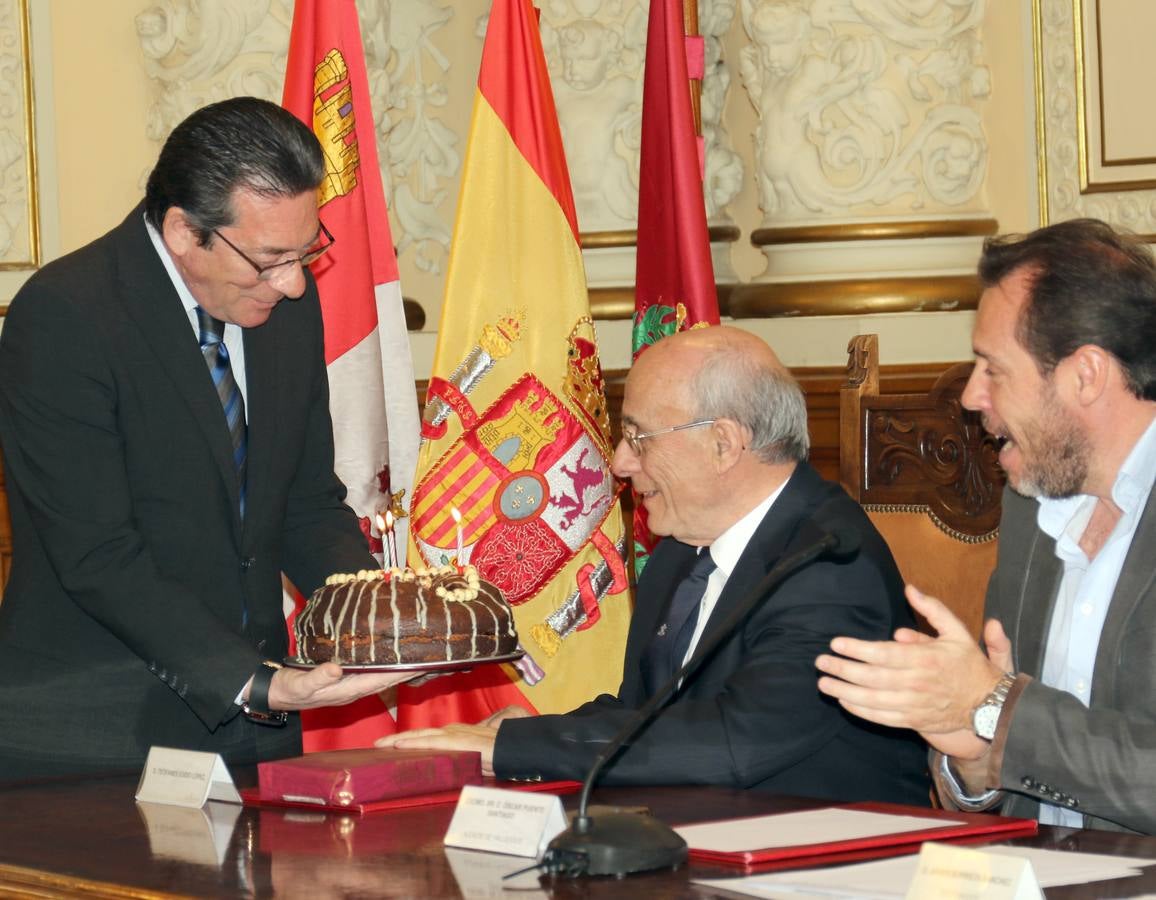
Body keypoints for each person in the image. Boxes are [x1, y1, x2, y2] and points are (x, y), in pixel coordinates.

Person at [0, 97, 414, 779]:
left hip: (257, 729)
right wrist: (250, 680)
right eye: (270, 258)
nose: (293, 282)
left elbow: (306, 503)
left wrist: (385, 622)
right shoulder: (66, 316)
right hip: (93, 734)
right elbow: (98, 554)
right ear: (184, 231)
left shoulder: (283, 309)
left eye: (306, 251)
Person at [377, 326, 930, 804]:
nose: (620, 462)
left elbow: (734, 743)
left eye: (638, 437)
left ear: (723, 444)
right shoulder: (680, 552)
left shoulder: (830, 562)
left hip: (827, 865)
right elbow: (645, 711)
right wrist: (541, 731)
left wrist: (513, 751)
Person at [815, 218, 1156, 833]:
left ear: (1086, 375)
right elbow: (997, 774)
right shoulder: (1030, 506)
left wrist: (996, 708)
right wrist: (967, 755)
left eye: (992, 369)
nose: (972, 396)